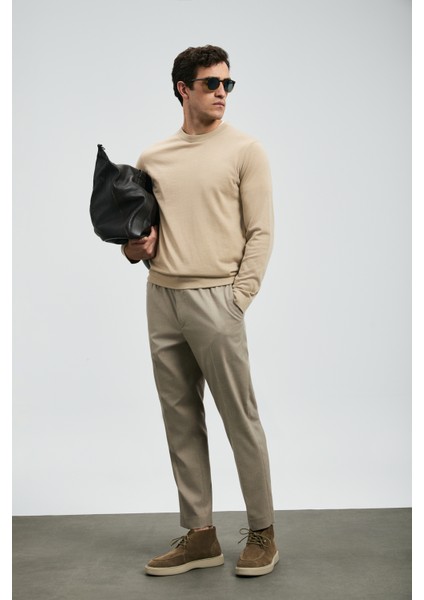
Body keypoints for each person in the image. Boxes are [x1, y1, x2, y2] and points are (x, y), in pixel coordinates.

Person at [122, 45, 278, 577]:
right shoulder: (153, 158)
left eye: (227, 84)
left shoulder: (245, 151)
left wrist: (238, 299)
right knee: (180, 419)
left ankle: (263, 532)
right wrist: (134, 249)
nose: (222, 92)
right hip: (161, 296)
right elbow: (139, 235)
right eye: (211, 83)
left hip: (217, 298)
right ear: (182, 89)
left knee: (240, 418)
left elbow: (261, 231)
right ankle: (200, 536)